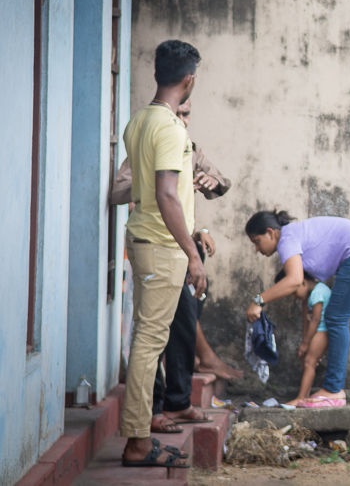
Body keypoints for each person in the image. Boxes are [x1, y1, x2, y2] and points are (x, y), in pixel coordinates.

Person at [110, 99, 242, 436]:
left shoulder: (188, 147)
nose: (181, 120)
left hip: (182, 245)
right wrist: (155, 184)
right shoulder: (156, 139)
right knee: (152, 336)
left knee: (182, 321)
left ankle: (178, 399)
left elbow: (220, 181)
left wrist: (209, 183)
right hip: (159, 244)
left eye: (186, 115)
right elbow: (121, 190)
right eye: (178, 114)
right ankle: (148, 416)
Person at [120, 40, 204, 469]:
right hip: (162, 246)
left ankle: (138, 436)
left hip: (147, 242)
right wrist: (192, 253)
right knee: (148, 345)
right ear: (188, 79)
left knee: (146, 343)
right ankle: (136, 442)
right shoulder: (170, 127)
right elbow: (167, 194)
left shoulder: (139, 121)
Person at [245, 211, 350, 408]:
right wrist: (305, 341)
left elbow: (294, 281)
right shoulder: (292, 239)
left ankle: (334, 390)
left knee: (336, 319)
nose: (257, 249)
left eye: (256, 241)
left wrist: (258, 300)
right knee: (336, 318)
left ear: (270, 233)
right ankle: (334, 389)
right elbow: (303, 295)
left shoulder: (286, 240)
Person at [272, 269, 331, 407]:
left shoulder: (318, 291)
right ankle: (304, 396)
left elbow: (315, 320)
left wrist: (305, 343)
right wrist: (304, 344)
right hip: (318, 330)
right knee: (307, 361)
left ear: (303, 282)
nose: (293, 297)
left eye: (293, 292)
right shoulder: (311, 294)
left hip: (322, 330)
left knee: (309, 362)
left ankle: (300, 398)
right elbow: (307, 320)